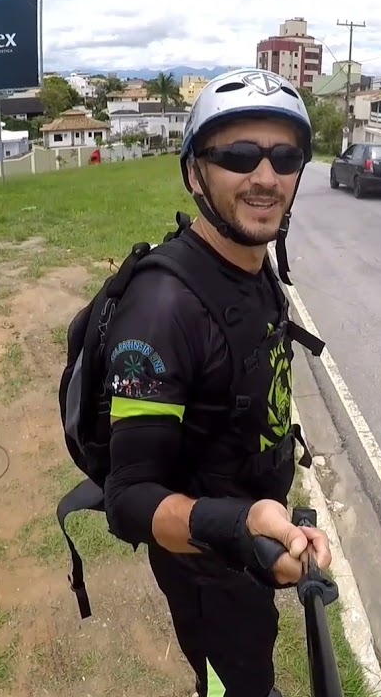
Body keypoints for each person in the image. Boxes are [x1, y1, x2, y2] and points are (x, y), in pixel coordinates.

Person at [100, 68, 333, 697]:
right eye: (236, 155)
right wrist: (240, 527)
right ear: (193, 173)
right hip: (205, 570)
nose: (265, 177)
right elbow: (128, 499)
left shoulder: (255, 271)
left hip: (256, 543)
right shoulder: (160, 310)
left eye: (284, 156)